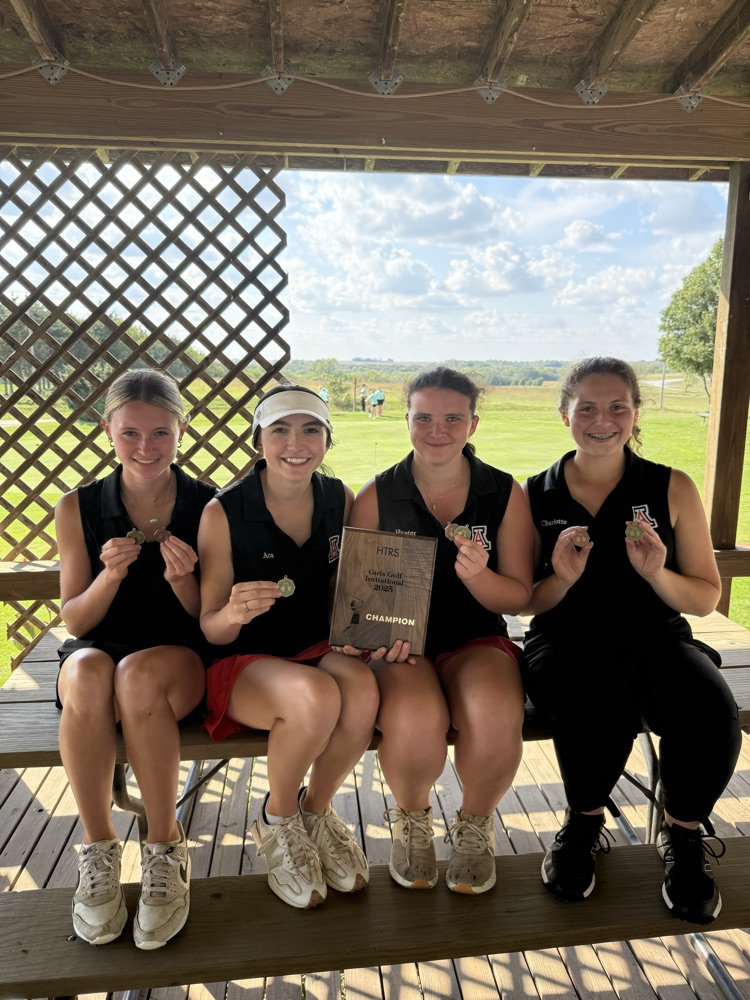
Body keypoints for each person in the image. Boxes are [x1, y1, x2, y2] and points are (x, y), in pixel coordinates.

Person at [522, 356, 741, 924]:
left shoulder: (671, 486)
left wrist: (656, 573)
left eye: (618, 406)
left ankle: (683, 835)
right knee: (599, 699)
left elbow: (704, 598)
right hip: (564, 640)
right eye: (587, 408)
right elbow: (525, 601)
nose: (603, 420)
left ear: (636, 412)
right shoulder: (534, 493)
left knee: (711, 708)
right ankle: (584, 824)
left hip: (657, 637)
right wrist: (561, 578)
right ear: (564, 415)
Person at [349, 366, 533, 894]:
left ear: (472, 424)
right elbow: (357, 597)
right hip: (401, 642)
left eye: (453, 418)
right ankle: (412, 821)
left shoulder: (503, 491)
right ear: (406, 420)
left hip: (476, 635)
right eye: (424, 418)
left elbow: (517, 595)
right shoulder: (378, 494)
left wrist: (478, 577)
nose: (437, 430)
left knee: (494, 711)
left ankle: (475, 824)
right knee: (414, 714)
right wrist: (373, 635)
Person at [198, 385, 379, 910]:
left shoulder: (338, 498)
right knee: (315, 694)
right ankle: (278, 818)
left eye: (310, 430)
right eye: (280, 430)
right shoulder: (224, 511)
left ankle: (316, 811)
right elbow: (211, 628)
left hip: (314, 648)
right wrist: (234, 612)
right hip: (243, 661)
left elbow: (348, 586)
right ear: (258, 439)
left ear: (327, 440)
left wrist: (366, 626)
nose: (295, 444)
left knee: (362, 690)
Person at [55, 369, 216, 950]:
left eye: (160, 433)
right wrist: (109, 576)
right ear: (107, 430)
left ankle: (164, 848)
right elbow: (76, 621)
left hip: (177, 656)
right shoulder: (78, 506)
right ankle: (98, 849)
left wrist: (183, 579)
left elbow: (208, 617)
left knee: (137, 674)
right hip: (101, 648)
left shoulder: (208, 505)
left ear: (181, 431)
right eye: (130, 433)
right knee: (88, 670)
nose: (145, 447)